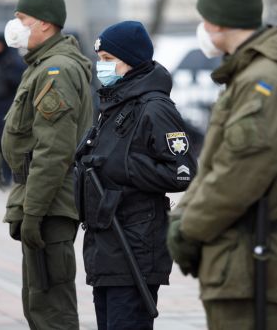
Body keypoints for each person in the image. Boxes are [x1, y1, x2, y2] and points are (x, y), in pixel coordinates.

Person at [166, 0, 277, 329]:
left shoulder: (265, 80)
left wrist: (190, 229)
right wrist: (184, 220)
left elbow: (238, 175)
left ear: (220, 20)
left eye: (205, 18)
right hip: (236, 258)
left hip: (250, 259)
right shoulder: (249, 74)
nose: (203, 27)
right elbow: (216, 164)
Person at [74, 21, 197, 330]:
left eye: (107, 59)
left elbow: (182, 171)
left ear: (129, 60)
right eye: (99, 59)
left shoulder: (155, 107)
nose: (101, 66)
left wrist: (127, 166)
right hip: (106, 243)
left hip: (134, 245)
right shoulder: (113, 104)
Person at [1, 0, 93, 329]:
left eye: (22, 19)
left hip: (51, 202)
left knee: (51, 307)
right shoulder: (42, 65)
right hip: (43, 198)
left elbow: (53, 150)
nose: (15, 26)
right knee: (38, 301)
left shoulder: (57, 69)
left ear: (44, 23)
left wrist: (34, 210)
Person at [0, 36, 25, 185]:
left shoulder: (11, 61)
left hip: (7, 106)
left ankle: (7, 175)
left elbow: (18, 81)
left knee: (6, 141)